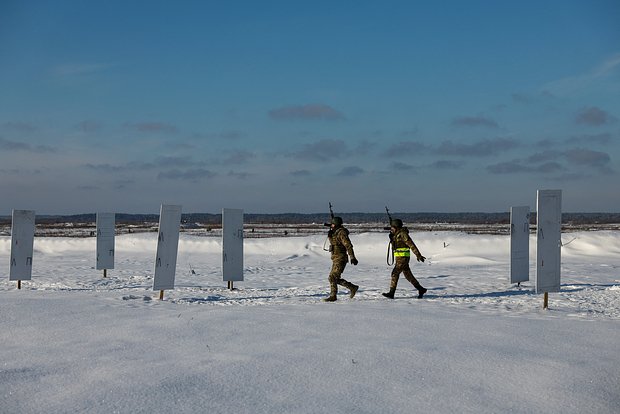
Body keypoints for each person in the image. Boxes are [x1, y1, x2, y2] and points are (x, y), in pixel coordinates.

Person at [383, 218, 428, 299]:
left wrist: (418, 255)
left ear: (396, 227)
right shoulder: (397, 234)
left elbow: (411, 244)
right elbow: (397, 244)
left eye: (392, 227)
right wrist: (391, 237)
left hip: (403, 258)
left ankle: (391, 293)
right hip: (399, 258)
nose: (391, 228)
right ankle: (421, 289)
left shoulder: (403, 234)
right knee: (408, 276)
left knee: (395, 273)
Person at [324, 216, 359, 302]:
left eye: (332, 224)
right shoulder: (335, 232)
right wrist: (330, 236)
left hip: (340, 258)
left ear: (335, 224)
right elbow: (334, 243)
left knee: (332, 277)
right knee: (333, 278)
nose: (331, 226)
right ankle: (352, 287)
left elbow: (348, 245)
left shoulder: (341, 233)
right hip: (335, 258)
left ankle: (333, 296)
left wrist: (352, 257)